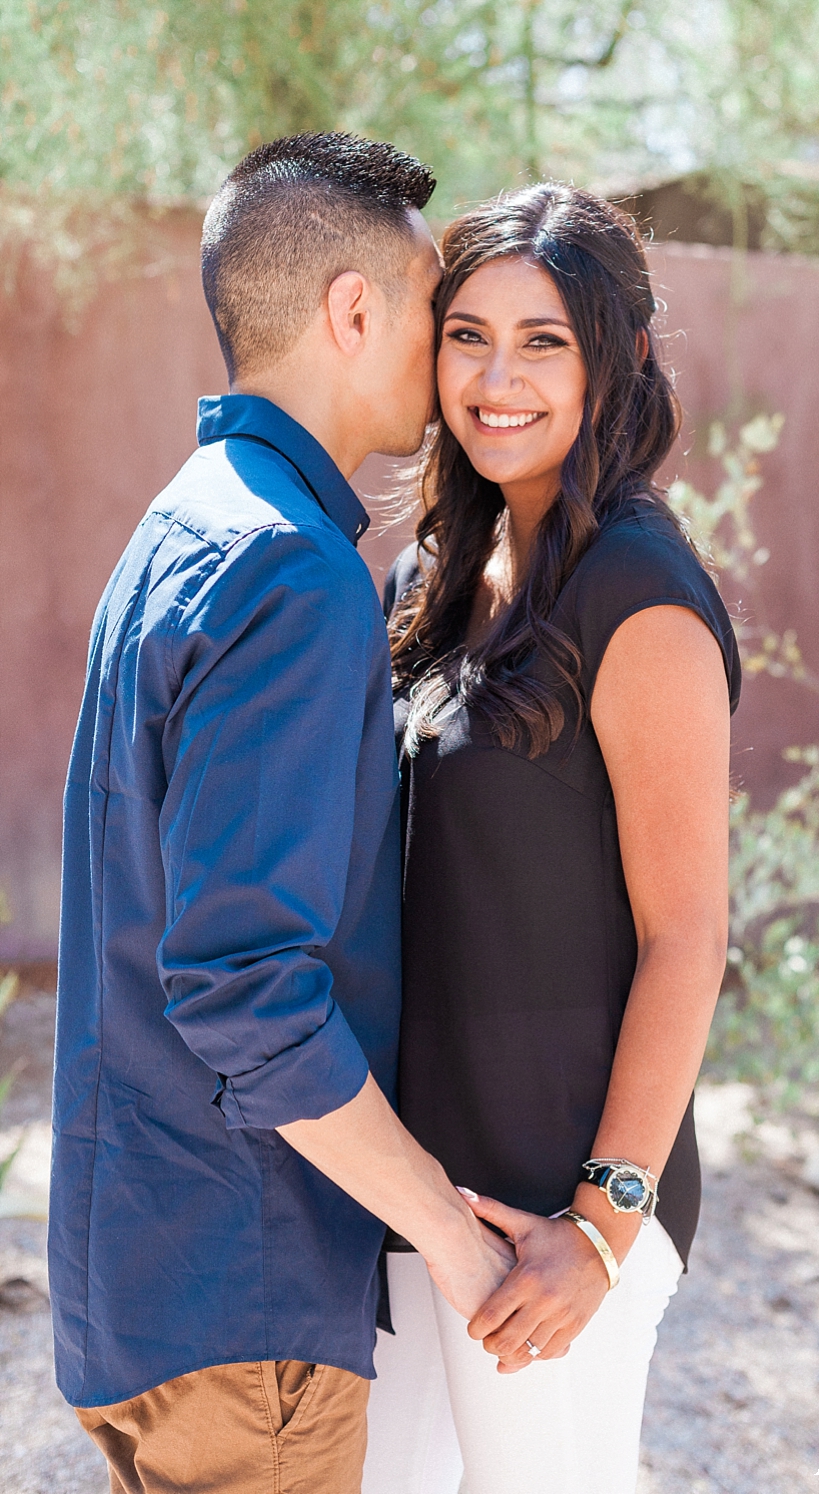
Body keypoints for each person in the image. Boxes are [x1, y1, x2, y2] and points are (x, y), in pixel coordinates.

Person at [50, 131, 513, 1494]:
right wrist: (454, 1232)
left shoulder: (180, 528)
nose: (452, 357)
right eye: (438, 311)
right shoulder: (292, 574)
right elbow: (246, 986)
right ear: (353, 311)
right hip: (243, 1308)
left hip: (140, 1281)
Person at [364, 184, 741, 1494]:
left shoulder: (642, 597)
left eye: (544, 341)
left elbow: (688, 938)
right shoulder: (440, 574)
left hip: (553, 1210)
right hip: (423, 1190)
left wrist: (600, 1223)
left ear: (619, 356)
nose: (496, 376)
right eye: (469, 335)